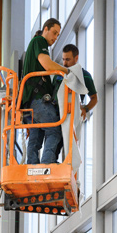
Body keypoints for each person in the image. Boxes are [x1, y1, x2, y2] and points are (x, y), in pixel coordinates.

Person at [22, 18, 70, 165]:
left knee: (36, 138)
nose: (55, 38)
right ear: (45, 29)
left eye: (58, 35)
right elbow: (48, 65)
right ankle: (47, 166)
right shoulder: (39, 42)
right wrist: (67, 71)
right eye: (54, 33)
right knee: (54, 131)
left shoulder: (35, 45)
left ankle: (32, 168)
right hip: (37, 99)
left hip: (29, 102)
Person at [53, 43, 98, 121]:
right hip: (54, 114)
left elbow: (94, 98)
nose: (64, 63)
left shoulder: (85, 76)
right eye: (63, 59)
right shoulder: (58, 74)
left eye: (67, 59)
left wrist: (85, 109)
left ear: (76, 58)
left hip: (71, 116)